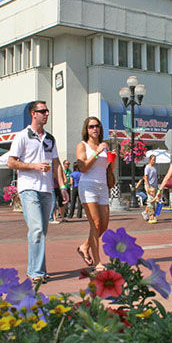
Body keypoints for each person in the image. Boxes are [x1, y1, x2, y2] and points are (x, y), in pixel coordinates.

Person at [7, 100, 68, 283]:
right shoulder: (22, 136)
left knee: (42, 231)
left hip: (46, 189)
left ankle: (35, 269)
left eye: (47, 111)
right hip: (28, 188)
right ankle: (37, 273)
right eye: (43, 111)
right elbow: (11, 162)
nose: (46, 114)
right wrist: (33, 166)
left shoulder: (50, 138)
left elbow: (56, 163)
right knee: (36, 230)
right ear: (33, 113)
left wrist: (62, 187)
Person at [76, 116, 115, 272]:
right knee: (95, 223)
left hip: (102, 186)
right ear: (86, 129)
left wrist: (112, 161)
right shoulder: (82, 145)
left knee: (104, 225)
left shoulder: (103, 146)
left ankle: (84, 246)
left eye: (97, 126)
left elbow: (108, 170)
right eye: (91, 126)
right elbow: (83, 167)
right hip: (88, 186)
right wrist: (97, 153)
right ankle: (98, 261)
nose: (95, 129)